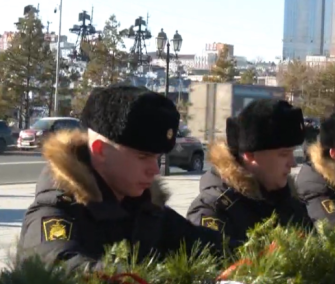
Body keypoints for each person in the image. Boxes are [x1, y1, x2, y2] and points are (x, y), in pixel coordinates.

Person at [16, 85, 229, 270]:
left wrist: (255, 253)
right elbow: (59, 268)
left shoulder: (145, 208)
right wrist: (149, 281)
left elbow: (202, 244)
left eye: (157, 158)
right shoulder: (57, 210)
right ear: (100, 150)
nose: (154, 170)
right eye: (143, 157)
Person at [186, 99, 311, 241]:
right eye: (284, 154)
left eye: (292, 153)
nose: (293, 163)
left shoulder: (290, 202)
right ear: (250, 155)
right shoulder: (215, 209)